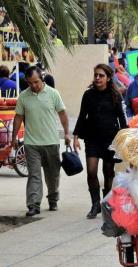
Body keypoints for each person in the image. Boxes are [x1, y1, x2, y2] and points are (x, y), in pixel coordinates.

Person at [11, 66, 70, 217]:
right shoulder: (23, 96)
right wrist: (14, 138)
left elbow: (62, 114)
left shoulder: (53, 93)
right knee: (34, 175)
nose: (34, 86)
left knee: (52, 175)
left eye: (36, 82)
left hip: (51, 142)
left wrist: (67, 134)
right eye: (30, 83)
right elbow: (18, 117)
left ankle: (53, 198)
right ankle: (33, 204)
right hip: (31, 144)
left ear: (42, 79)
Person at [73, 64, 127, 219]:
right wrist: (76, 136)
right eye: (96, 75)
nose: (97, 78)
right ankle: (95, 204)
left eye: (101, 75)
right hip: (92, 139)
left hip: (111, 139)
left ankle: (106, 204)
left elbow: (121, 118)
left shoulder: (115, 95)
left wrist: (125, 137)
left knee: (109, 173)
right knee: (91, 172)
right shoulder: (88, 95)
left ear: (108, 78)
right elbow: (82, 116)